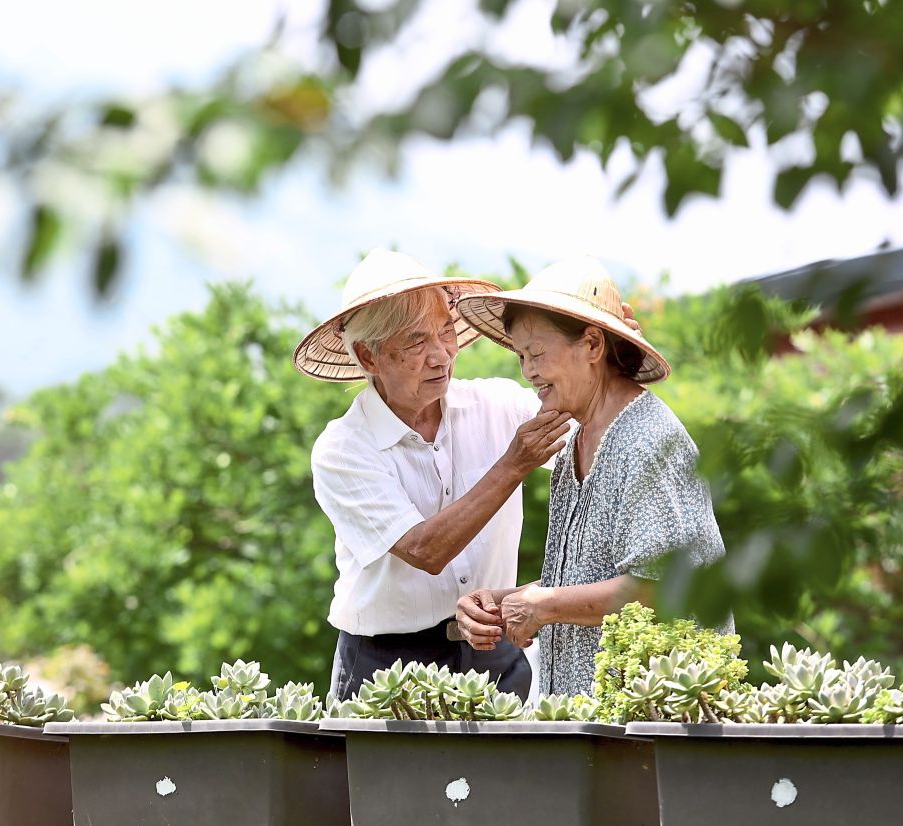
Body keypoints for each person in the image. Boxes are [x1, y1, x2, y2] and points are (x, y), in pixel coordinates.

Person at [293, 249, 575, 701]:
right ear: (369, 356)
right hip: (386, 666)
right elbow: (426, 549)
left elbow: (591, 428)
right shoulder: (343, 448)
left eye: (446, 333)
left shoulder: (499, 405)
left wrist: (607, 354)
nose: (441, 355)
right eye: (416, 341)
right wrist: (513, 463)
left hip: (494, 652)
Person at [453, 256, 731, 697]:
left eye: (538, 353)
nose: (528, 371)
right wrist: (504, 602)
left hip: (654, 724)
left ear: (593, 346)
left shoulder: (648, 442)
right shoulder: (572, 445)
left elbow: (660, 588)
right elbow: (584, 581)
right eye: (522, 356)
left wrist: (541, 605)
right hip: (592, 726)